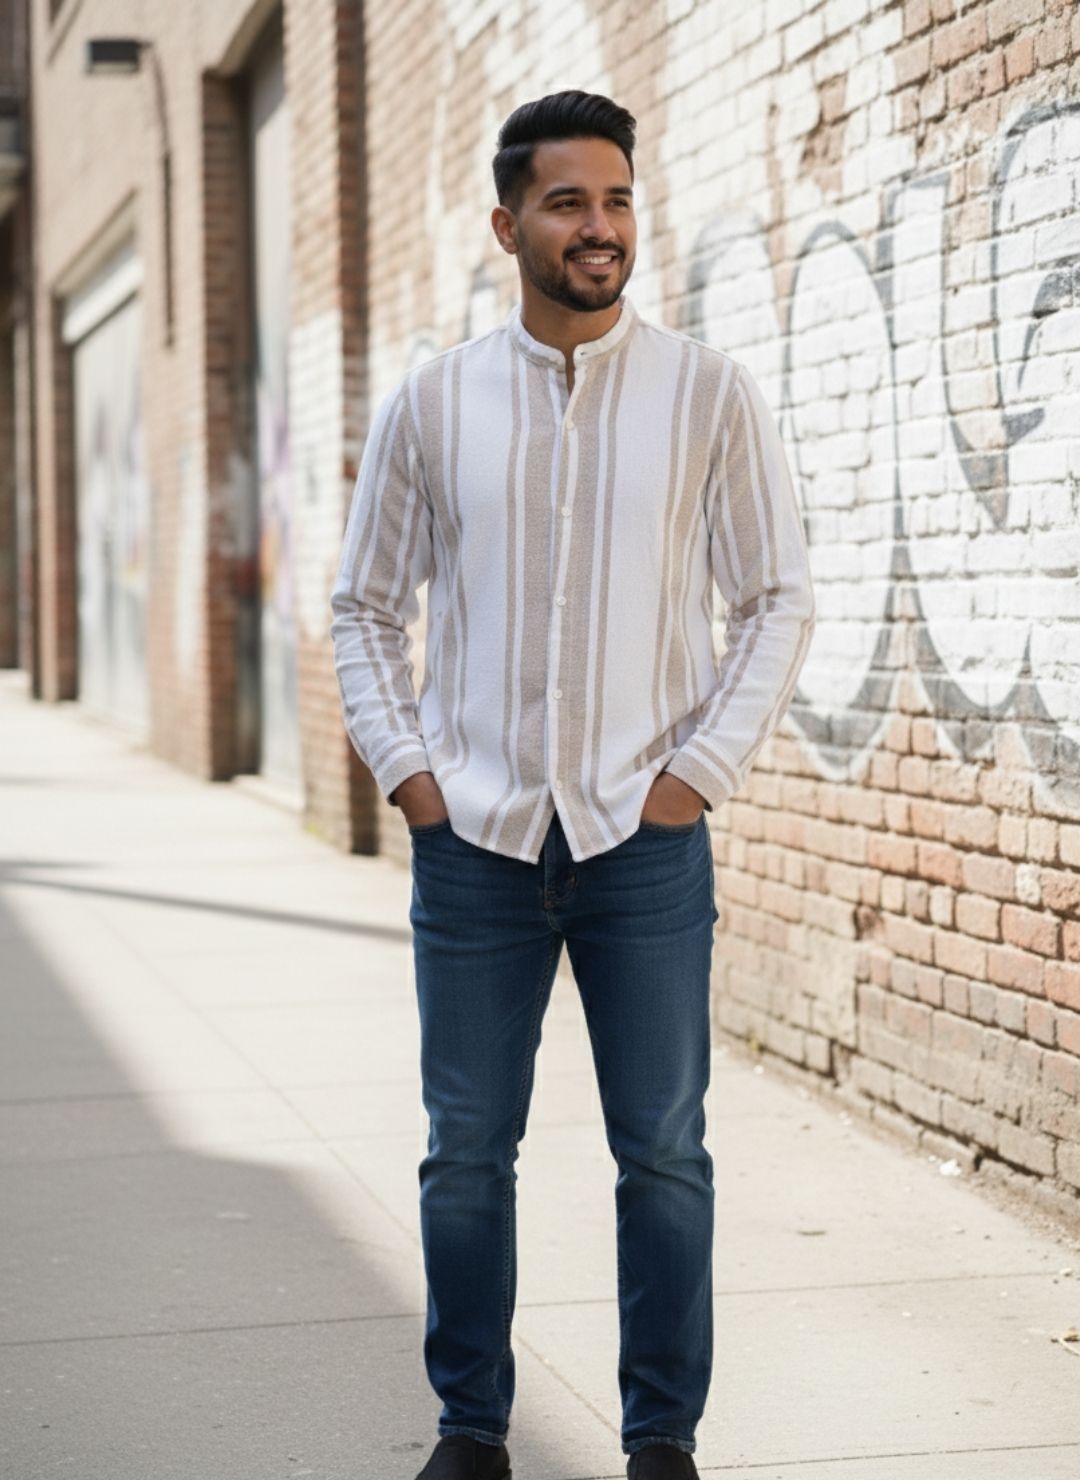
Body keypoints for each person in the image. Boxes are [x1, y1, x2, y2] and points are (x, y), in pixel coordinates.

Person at [330, 89, 815, 1480]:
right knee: (464, 1153)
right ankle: (471, 1429)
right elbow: (365, 606)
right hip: (475, 840)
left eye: (616, 201)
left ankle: (661, 1437)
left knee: (662, 1153)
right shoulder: (435, 402)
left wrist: (696, 776)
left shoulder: (709, 393)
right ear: (509, 226)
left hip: (641, 843)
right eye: (566, 204)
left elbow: (776, 598)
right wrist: (412, 777)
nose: (599, 228)